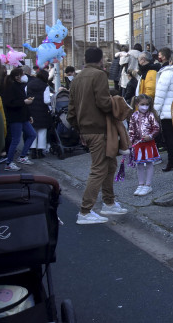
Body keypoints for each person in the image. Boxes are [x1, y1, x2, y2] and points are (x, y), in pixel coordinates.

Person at [68, 47, 128, 224]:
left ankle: (108, 203)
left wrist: (79, 129)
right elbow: (103, 103)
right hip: (99, 128)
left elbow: (71, 110)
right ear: (101, 60)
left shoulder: (77, 77)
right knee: (100, 168)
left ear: (85, 59)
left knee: (110, 164)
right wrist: (116, 104)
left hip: (87, 129)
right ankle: (85, 211)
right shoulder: (99, 75)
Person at [0, 68, 37, 171]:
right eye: (23, 74)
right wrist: (24, 102)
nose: (25, 76)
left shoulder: (19, 86)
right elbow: (10, 103)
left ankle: (22, 156)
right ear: (17, 76)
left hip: (23, 117)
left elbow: (22, 102)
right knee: (15, 140)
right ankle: (9, 162)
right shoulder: (10, 87)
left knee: (32, 134)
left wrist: (29, 115)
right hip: (15, 118)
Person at [129, 94, 161, 196]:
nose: (145, 106)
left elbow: (156, 128)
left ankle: (148, 185)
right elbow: (131, 130)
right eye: (142, 104)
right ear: (137, 104)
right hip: (138, 144)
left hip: (149, 143)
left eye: (147, 104)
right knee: (139, 164)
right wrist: (130, 142)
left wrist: (151, 136)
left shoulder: (151, 115)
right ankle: (141, 184)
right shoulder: (134, 115)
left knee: (149, 163)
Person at [27, 69, 51, 160]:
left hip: (31, 111)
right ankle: (40, 152)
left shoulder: (29, 84)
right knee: (42, 132)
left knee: (33, 132)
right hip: (42, 111)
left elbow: (26, 96)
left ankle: (33, 151)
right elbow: (46, 100)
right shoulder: (45, 86)